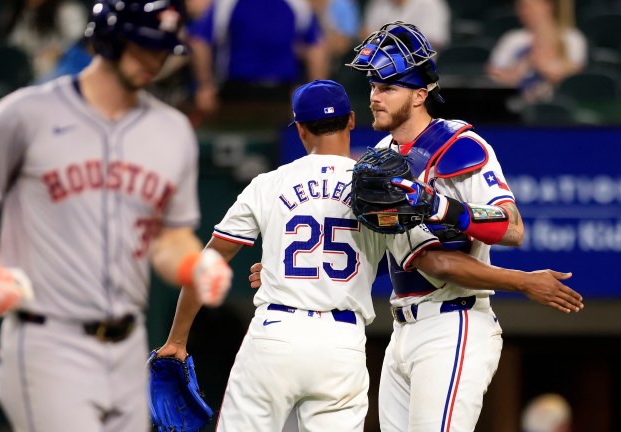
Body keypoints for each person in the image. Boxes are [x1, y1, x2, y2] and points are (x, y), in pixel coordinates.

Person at [158, 79, 583, 431]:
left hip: (276, 329)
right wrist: (523, 280)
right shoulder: (376, 186)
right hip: (342, 344)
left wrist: (177, 340)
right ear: (352, 121)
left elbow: (206, 264)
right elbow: (432, 261)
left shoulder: (268, 183)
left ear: (300, 129)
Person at [0, 0, 232, 430]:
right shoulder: (28, 112)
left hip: (129, 344)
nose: (155, 59)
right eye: (143, 46)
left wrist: (195, 264)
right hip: (47, 339)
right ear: (108, 39)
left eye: (163, 48)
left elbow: (168, 239)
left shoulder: (173, 131)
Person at [344, 21, 580, 431]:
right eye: (373, 86)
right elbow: (374, 249)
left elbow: (512, 227)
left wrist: (440, 205)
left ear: (420, 95)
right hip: (401, 328)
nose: (374, 97)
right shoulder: (379, 156)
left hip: (452, 323)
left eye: (387, 88)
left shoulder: (460, 146)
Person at [186, 0, 329, 124]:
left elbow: (316, 47)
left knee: (282, 148)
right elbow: (199, 41)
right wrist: (205, 85)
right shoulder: (227, 3)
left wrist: (316, 92)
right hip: (237, 93)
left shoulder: (297, 4)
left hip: (282, 93)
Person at [486, 0, 586, 103]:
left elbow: (574, 79)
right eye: (520, 6)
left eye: (529, 6)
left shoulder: (571, 38)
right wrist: (521, 68)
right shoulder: (512, 38)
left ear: (547, 6)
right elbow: (493, 75)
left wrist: (543, 65)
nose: (523, 11)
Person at [1, 0, 88, 79]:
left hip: (60, 72)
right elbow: (12, 45)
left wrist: (58, 52)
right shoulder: (17, 12)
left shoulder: (69, 10)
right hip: (23, 72)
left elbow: (77, 45)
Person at [361, 0, 450, 49]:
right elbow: (366, 34)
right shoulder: (379, 3)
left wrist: (385, 40)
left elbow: (435, 40)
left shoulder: (429, 4)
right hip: (380, 62)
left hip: (419, 65)